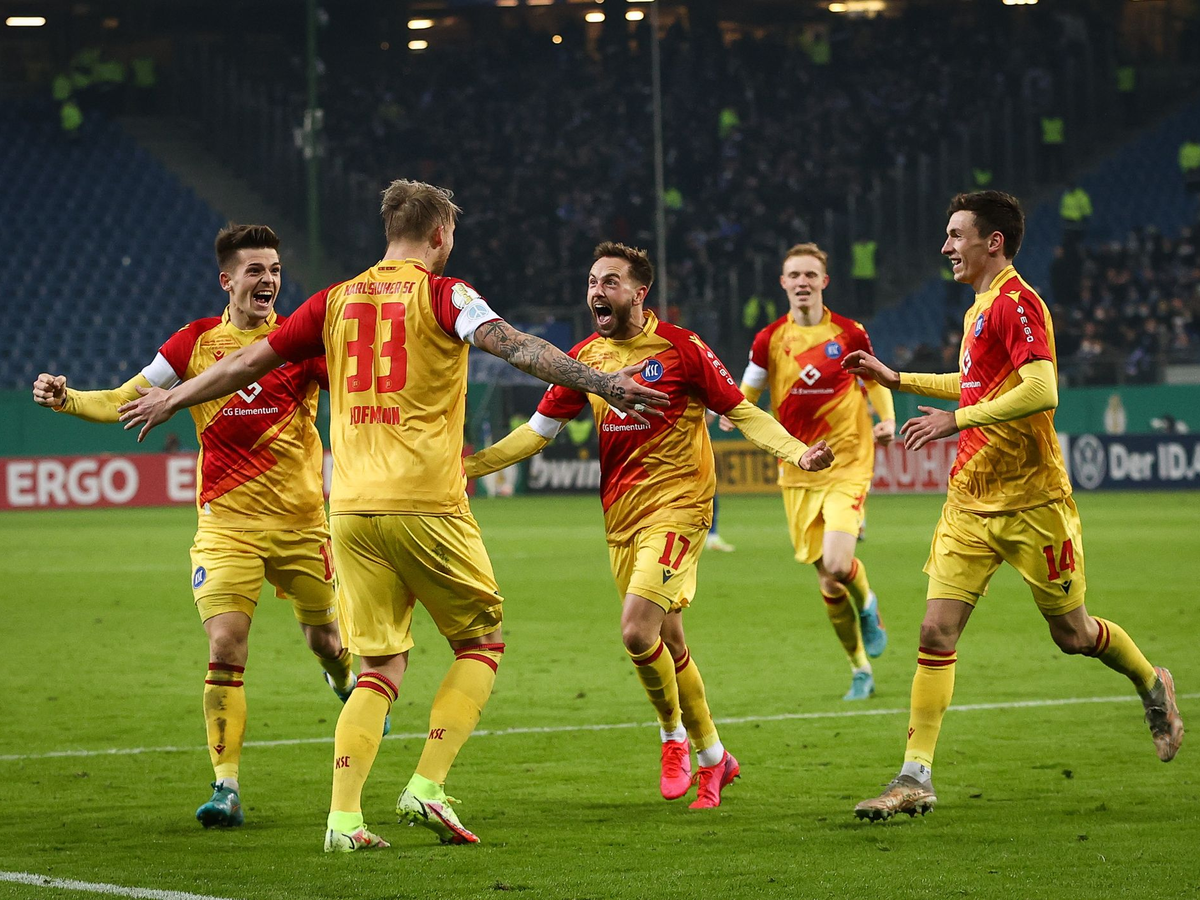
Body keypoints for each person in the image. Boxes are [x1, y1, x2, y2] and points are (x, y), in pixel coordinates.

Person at [116, 181, 670, 851]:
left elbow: (245, 362)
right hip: (427, 503)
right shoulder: (446, 294)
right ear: (439, 235)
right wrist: (604, 382)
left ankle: (344, 821)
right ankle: (427, 785)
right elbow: (516, 346)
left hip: (350, 511)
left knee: (380, 664)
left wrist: (172, 399)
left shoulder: (331, 300)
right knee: (481, 642)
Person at [844, 191, 1184, 821]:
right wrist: (899, 379)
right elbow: (975, 384)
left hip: (1033, 501)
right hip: (971, 499)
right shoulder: (978, 309)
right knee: (934, 631)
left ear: (992, 242)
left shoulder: (1017, 303)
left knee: (1073, 635)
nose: (946, 246)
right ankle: (915, 775)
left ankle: (1149, 681)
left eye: (956, 235)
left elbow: (1041, 389)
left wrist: (955, 421)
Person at [463, 242, 833, 809]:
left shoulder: (681, 348)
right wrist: (468, 467)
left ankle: (672, 736)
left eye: (609, 282)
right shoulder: (584, 358)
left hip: (681, 507)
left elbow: (740, 410)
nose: (596, 291)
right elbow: (537, 432)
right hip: (622, 518)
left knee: (637, 631)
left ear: (640, 293)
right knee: (669, 641)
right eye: (592, 281)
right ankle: (715, 758)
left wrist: (797, 451)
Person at [32, 224, 362, 829]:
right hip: (225, 527)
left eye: (275, 270)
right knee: (225, 644)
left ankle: (342, 677)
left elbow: (358, 394)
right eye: (256, 270)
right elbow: (125, 397)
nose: (268, 280)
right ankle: (226, 787)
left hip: (301, 527)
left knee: (325, 640)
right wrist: (67, 398)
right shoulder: (193, 343)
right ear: (226, 280)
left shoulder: (299, 343)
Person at [722, 243, 895, 701]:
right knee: (828, 581)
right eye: (794, 275)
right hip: (797, 468)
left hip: (848, 461)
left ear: (824, 282)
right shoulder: (769, 340)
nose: (802, 282)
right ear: (783, 283)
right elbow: (747, 393)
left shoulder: (849, 333)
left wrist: (887, 419)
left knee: (838, 563)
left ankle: (869, 603)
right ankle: (859, 668)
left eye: (810, 275)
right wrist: (731, 411)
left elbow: (875, 379)